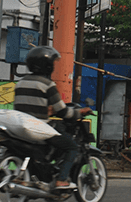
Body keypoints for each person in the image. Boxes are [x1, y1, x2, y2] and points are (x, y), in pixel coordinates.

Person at [14, 46, 91, 190]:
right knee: (72, 146)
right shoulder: (47, 84)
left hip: (21, 127)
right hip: (39, 128)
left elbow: (26, 106)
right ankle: (61, 180)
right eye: (53, 63)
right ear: (47, 65)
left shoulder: (20, 83)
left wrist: (46, 110)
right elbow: (62, 111)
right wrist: (78, 113)